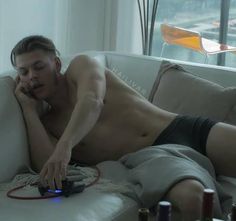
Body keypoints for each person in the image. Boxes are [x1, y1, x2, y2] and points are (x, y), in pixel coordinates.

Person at [11, 35, 236, 221]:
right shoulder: (49, 122)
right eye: (23, 72)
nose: (32, 77)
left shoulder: (82, 67)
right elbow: (46, 166)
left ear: (57, 64)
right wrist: (29, 110)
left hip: (182, 127)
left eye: (38, 67)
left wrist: (64, 148)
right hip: (152, 157)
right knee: (193, 200)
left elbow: (92, 101)